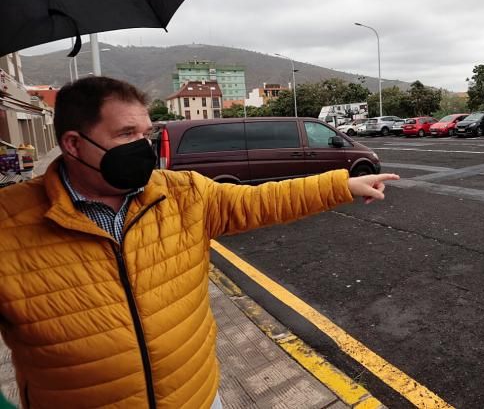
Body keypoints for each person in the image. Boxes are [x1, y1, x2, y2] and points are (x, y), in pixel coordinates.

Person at [0, 76, 399, 408]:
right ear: (73, 144)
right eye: (126, 134)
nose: (143, 145)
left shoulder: (182, 193)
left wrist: (340, 185)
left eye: (147, 132)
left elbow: (261, 201)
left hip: (197, 398)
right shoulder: (9, 224)